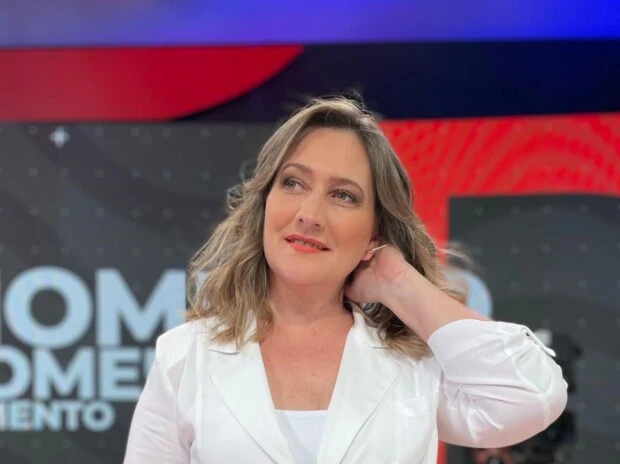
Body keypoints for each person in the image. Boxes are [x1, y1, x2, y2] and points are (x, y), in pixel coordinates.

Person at [123, 97, 567, 464]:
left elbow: (533, 397)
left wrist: (396, 280)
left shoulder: (415, 365)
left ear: (375, 232)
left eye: (343, 195)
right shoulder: (184, 357)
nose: (309, 214)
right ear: (264, 203)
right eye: (293, 183)